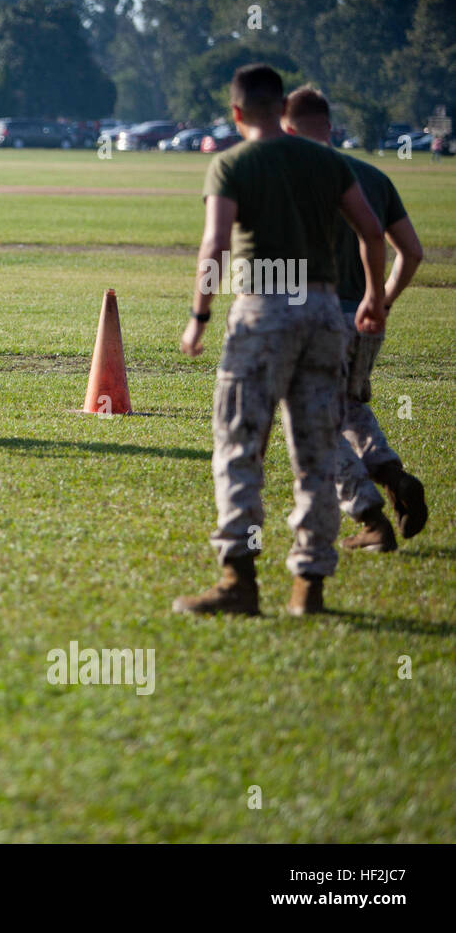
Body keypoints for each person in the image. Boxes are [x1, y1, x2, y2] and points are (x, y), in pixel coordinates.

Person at [173, 64, 387, 617]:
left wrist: (199, 313)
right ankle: (309, 586)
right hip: (322, 308)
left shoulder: (231, 164)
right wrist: (371, 295)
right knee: (315, 451)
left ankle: (239, 580)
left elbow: (215, 242)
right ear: (282, 109)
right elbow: (370, 229)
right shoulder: (327, 161)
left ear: (237, 112)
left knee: (240, 445)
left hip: (263, 306)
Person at [282, 86, 427, 551]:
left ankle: (368, 515)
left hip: (315, 316)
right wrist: (382, 299)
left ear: (288, 128)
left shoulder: (294, 179)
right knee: (349, 405)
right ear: (330, 125)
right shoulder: (373, 177)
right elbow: (412, 252)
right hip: (366, 319)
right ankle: (392, 473)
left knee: (316, 421)